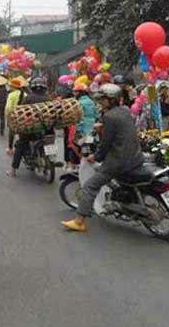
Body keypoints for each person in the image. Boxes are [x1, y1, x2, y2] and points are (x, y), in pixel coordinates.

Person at [61, 83, 144, 232]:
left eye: (103, 99)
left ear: (111, 100)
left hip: (119, 162)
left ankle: (79, 221)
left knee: (90, 186)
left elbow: (106, 143)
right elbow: (121, 133)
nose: (100, 102)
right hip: (136, 157)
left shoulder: (109, 116)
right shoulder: (125, 110)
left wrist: (96, 156)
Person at [8, 77, 51, 176]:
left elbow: (22, 113)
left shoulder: (28, 98)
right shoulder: (48, 99)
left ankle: (13, 170)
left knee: (20, 145)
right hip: (47, 129)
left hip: (31, 129)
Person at [5, 77, 27, 154]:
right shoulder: (25, 94)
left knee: (12, 133)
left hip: (14, 117)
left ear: (13, 87)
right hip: (24, 117)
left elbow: (8, 108)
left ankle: (10, 148)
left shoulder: (11, 95)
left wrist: (7, 116)